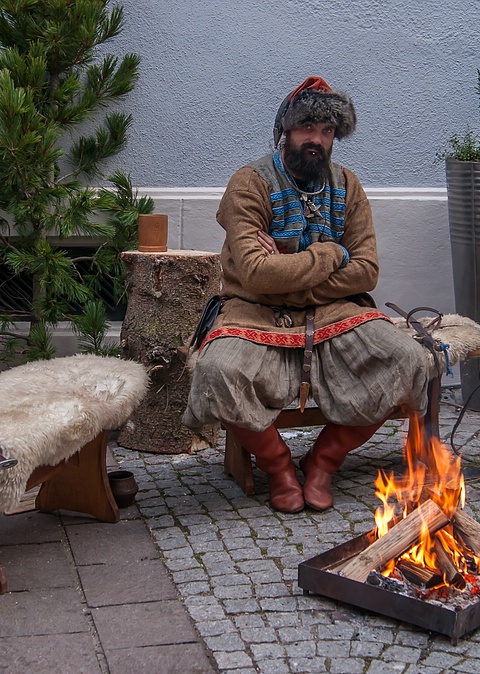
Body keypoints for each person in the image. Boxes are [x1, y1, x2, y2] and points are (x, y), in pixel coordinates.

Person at [182, 76, 432, 513]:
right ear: (286, 129)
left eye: (328, 131)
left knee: (408, 361)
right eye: (308, 127)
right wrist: (332, 252)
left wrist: (289, 267)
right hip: (255, 312)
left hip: (336, 313)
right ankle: (277, 465)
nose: (317, 139)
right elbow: (257, 276)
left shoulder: (347, 186)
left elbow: (368, 272)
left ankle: (323, 462)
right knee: (218, 370)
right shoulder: (249, 184)